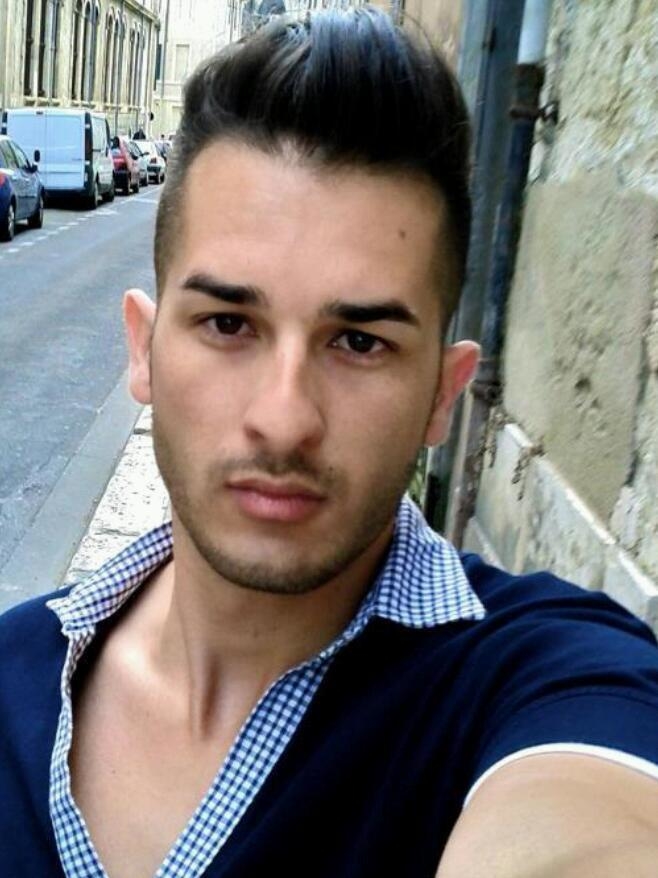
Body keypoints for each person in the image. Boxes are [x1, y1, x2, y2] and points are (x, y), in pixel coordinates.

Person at [1, 8, 658, 877]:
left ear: (443, 394)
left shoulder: (544, 678)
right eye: (228, 323)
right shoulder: (12, 672)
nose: (284, 419)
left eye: (359, 342)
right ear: (144, 350)